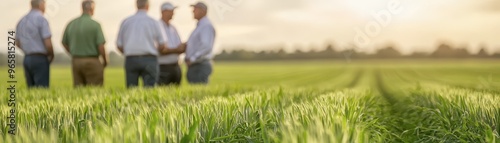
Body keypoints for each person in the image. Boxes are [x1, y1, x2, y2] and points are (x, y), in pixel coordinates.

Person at [117, 0, 178, 88]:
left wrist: (129, 52)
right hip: (149, 59)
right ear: (148, 6)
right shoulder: (154, 22)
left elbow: (119, 45)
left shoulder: (126, 22)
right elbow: (163, 44)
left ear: (136, 5)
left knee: (131, 89)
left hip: (131, 59)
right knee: (150, 89)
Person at [62, 0, 107, 87]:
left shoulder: (71, 24)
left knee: (79, 90)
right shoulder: (95, 25)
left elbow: (64, 42)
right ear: (92, 9)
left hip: (76, 60)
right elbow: (101, 46)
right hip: (92, 61)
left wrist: (73, 52)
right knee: (95, 90)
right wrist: (105, 61)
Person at [15, 0, 54, 88]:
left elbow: (17, 42)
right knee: (41, 90)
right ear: (40, 4)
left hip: (27, 58)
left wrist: (28, 49)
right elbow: (48, 43)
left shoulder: (22, 20)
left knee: (31, 89)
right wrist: (51, 55)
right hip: (40, 58)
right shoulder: (41, 19)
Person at [185, 2, 216, 84]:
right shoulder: (201, 25)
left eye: (196, 9)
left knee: (198, 94)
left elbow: (206, 46)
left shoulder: (206, 26)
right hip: (197, 65)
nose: (193, 11)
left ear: (203, 11)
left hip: (200, 65)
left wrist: (192, 59)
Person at [158, 2, 186, 86]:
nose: (173, 13)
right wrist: (176, 50)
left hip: (176, 66)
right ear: (164, 11)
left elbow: (179, 46)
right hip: (163, 67)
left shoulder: (173, 27)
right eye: (171, 11)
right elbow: (161, 49)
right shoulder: (157, 26)